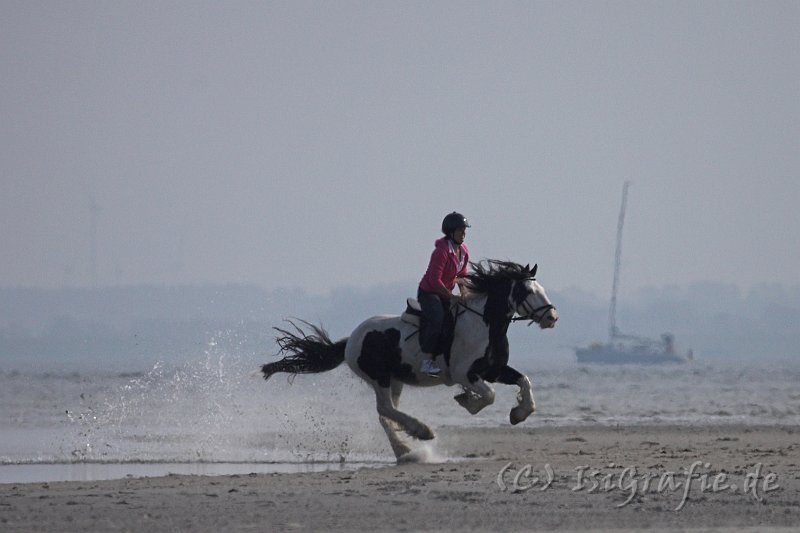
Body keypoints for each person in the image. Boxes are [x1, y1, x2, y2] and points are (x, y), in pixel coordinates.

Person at [417, 212, 470, 376]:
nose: (464, 234)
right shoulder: (441, 252)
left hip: (444, 293)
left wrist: (464, 294)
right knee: (438, 319)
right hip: (429, 293)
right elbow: (434, 281)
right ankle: (426, 362)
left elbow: (462, 276)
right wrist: (451, 296)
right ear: (451, 232)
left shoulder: (463, 251)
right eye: (461, 231)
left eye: (464, 230)